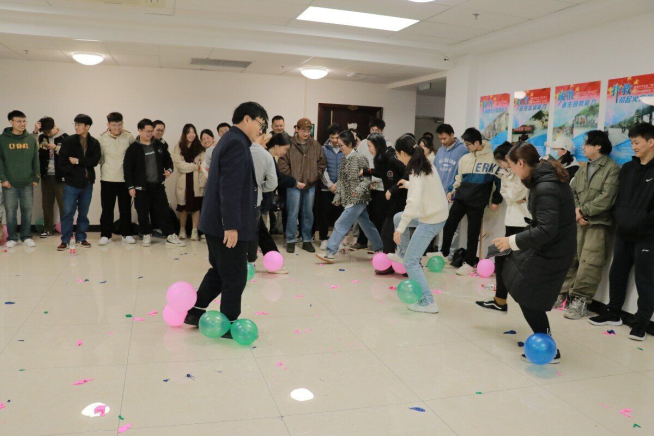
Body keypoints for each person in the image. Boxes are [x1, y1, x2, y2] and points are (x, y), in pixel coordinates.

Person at [184, 102, 268, 337]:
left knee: (220, 271)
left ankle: (195, 312)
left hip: (215, 222)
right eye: (260, 124)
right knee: (235, 276)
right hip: (226, 225)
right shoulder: (236, 143)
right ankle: (229, 324)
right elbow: (229, 188)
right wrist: (230, 226)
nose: (260, 130)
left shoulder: (230, 140)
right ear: (247, 119)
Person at [493, 143, 576, 363]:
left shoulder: (545, 186)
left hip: (554, 250)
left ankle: (550, 349)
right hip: (550, 246)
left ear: (521, 163)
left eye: (512, 165)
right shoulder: (544, 180)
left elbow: (547, 229)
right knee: (521, 286)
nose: (511, 170)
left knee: (528, 294)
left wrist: (511, 241)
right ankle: (545, 340)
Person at [589, 123, 654, 341]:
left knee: (646, 281)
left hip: (647, 236)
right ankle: (613, 312)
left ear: (651, 142)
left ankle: (641, 323)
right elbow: (619, 198)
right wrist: (619, 217)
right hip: (623, 232)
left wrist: (642, 222)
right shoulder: (627, 168)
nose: (633, 146)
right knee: (617, 274)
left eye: (636, 142)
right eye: (632, 142)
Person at [556, 131, 619, 320]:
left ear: (598, 146)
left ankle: (580, 301)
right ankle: (562, 294)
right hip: (579, 222)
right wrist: (577, 211)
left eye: (586, 143)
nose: (583, 147)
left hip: (598, 224)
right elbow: (573, 190)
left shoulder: (612, 169)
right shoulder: (584, 168)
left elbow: (607, 198)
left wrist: (583, 211)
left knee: (590, 264)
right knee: (571, 259)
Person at [387, 134, 449, 313]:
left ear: (402, 153)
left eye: (397, 154)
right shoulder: (424, 163)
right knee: (398, 217)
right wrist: (408, 184)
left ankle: (428, 302)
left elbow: (412, 204)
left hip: (431, 219)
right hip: (433, 212)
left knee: (411, 262)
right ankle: (403, 253)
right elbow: (425, 186)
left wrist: (400, 229)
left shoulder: (416, 171)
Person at [476, 142, 531, 313]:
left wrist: (511, 194)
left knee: (515, 263)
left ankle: (505, 301)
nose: (501, 165)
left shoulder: (524, 174)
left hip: (524, 224)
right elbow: (506, 194)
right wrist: (510, 194)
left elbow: (514, 194)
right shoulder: (507, 174)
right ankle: (500, 301)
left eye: (502, 161)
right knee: (500, 257)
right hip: (511, 222)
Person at [440, 128, 502, 275]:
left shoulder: (492, 159)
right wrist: (452, 191)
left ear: (477, 142)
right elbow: (459, 178)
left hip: (477, 201)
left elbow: (499, 182)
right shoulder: (465, 159)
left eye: (468, 144)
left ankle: (469, 263)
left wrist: (496, 200)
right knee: (449, 224)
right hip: (461, 198)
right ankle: (443, 253)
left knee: (472, 233)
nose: (466, 147)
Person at [316, 130, 383, 264]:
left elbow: (367, 179)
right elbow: (341, 180)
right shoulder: (344, 159)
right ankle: (381, 249)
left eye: (342, 145)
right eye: (339, 145)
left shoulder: (359, 158)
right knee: (367, 225)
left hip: (358, 199)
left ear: (350, 144)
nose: (340, 148)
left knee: (340, 224)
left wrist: (357, 191)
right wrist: (338, 196)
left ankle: (330, 253)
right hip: (349, 199)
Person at [123, 119, 184, 248]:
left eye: (151, 131)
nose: (149, 134)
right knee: (143, 211)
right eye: (147, 131)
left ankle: (170, 235)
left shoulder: (158, 145)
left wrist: (169, 170)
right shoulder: (133, 148)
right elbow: (127, 169)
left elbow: (168, 160)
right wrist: (130, 186)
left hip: (157, 185)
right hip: (141, 186)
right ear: (140, 130)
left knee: (163, 210)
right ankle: (146, 234)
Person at [279, 117, 326, 254]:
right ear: (297, 129)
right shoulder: (289, 144)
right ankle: (291, 240)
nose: (306, 133)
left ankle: (307, 240)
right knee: (292, 212)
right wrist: (292, 180)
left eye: (308, 130)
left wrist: (314, 176)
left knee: (308, 213)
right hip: (294, 185)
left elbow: (322, 163)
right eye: (303, 130)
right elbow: (282, 164)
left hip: (310, 185)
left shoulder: (316, 145)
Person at [361, 133, 407, 272]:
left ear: (377, 145)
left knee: (392, 234)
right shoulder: (382, 159)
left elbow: (408, 174)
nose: (369, 149)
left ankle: (406, 266)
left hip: (402, 201)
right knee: (388, 234)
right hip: (392, 202)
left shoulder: (392, 159)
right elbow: (382, 172)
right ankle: (389, 265)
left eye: (370, 146)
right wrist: (367, 171)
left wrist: (392, 190)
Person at [57, 114, 101, 251]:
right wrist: (72, 172)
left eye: (79, 124)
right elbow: (62, 161)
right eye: (75, 124)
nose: (76, 127)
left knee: (83, 213)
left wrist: (77, 161)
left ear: (87, 126)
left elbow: (94, 161)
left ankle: (81, 238)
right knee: (68, 213)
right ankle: (65, 240)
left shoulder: (94, 142)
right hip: (71, 183)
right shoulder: (69, 141)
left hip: (87, 183)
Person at [0, 110, 39, 248]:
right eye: (19, 121)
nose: (22, 124)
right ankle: (12, 237)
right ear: (11, 122)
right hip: (9, 183)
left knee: (27, 210)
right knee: (10, 211)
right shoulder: (2, 139)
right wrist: (3, 178)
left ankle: (26, 236)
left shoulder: (30, 139)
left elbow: (35, 159)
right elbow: (0, 161)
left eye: (24, 121)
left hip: (27, 182)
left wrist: (36, 177)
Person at [98, 112, 136, 246]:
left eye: (120, 125)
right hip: (107, 178)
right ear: (108, 125)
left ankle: (127, 234)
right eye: (114, 125)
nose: (117, 128)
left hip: (125, 179)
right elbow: (100, 158)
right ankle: (105, 235)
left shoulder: (129, 136)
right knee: (107, 209)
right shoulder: (102, 138)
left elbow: (133, 157)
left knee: (125, 208)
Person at [352, 118, 388, 251]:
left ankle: (376, 243)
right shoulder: (363, 144)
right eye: (372, 130)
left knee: (378, 215)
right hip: (365, 183)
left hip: (380, 185)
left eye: (377, 130)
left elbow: (384, 170)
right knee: (363, 213)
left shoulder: (387, 144)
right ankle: (362, 240)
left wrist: (374, 178)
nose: (374, 132)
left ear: (382, 131)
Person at [434, 124, 468, 259]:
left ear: (452, 135)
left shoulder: (462, 150)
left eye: (445, 138)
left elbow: (462, 174)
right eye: (440, 139)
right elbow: (435, 172)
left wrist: (453, 190)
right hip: (439, 194)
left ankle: (450, 253)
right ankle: (441, 251)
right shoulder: (440, 151)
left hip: (453, 194)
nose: (442, 141)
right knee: (440, 224)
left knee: (452, 225)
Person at [36, 116, 68, 238]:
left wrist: (56, 148)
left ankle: (66, 229)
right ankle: (48, 228)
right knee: (46, 204)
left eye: (48, 131)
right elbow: (33, 149)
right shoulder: (41, 137)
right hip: (46, 176)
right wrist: (35, 132)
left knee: (64, 205)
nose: (47, 134)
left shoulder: (65, 137)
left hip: (61, 177)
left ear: (54, 126)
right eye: (45, 132)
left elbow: (70, 154)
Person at [172, 124, 206, 241]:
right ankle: (182, 229)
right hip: (184, 180)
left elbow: (203, 165)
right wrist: (195, 166)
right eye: (188, 132)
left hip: (196, 181)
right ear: (184, 134)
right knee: (183, 206)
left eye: (193, 132)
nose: (191, 135)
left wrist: (197, 167)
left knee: (196, 207)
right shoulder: (179, 146)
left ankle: (194, 230)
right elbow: (179, 165)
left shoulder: (200, 147)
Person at [318, 123, 344, 248]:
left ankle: (337, 240)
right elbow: (323, 168)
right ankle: (323, 239)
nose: (334, 140)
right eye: (332, 137)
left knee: (339, 215)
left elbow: (346, 169)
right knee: (324, 214)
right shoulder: (323, 149)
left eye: (337, 137)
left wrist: (338, 185)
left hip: (341, 188)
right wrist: (330, 185)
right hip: (326, 188)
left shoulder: (345, 149)